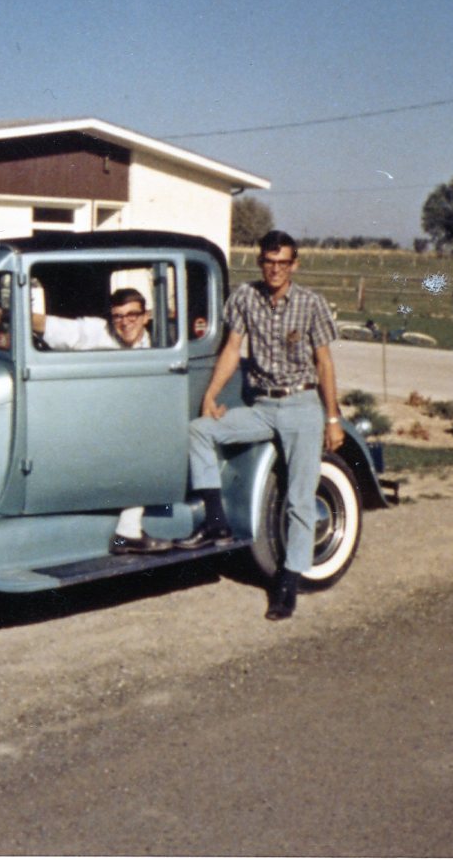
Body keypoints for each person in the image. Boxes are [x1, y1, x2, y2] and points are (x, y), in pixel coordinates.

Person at [174, 230, 345, 620]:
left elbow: (325, 363)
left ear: (294, 264)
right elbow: (233, 348)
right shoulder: (246, 298)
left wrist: (331, 418)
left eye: (283, 263)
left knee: (301, 498)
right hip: (263, 405)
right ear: (260, 263)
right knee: (200, 431)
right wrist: (210, 397)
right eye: (269, 263)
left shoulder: (311, 303)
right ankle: (216, 522)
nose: (275, 270)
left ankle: (288, 581)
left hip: (302, 405)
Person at [0, 287, 172, 554]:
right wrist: (2, 312)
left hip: (133, 425)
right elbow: (49, 324)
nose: (125, 322)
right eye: (118, 316)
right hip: (92, 420)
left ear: (146, 316)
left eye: (132, 315)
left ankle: (127, 531)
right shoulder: (97, 332)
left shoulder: (162, 343)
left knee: (147, 439)